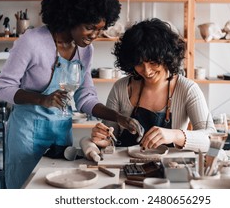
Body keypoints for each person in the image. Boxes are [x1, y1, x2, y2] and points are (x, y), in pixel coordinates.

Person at [0, 0, 143, 189]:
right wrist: (43, 100)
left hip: (61, 134)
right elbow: (2, 88)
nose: (94, 35)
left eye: (100, 29)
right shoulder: (32, 41)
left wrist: (119, 118)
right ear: (70, 17)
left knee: (58, 190)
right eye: (90, 27)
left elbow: (85, 98)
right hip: (27, 135)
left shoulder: (85, 50)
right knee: (26, 193)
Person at [91, 18, 216, 152]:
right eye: (139, 63)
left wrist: (175, 135)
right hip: (126, 167)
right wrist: (104, 140)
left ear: (167, 57)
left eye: (153, 62)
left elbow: (212, 141)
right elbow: (110, 138)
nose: (147, 71)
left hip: (168, 170)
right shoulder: (121, 88)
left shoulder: (188, 89)